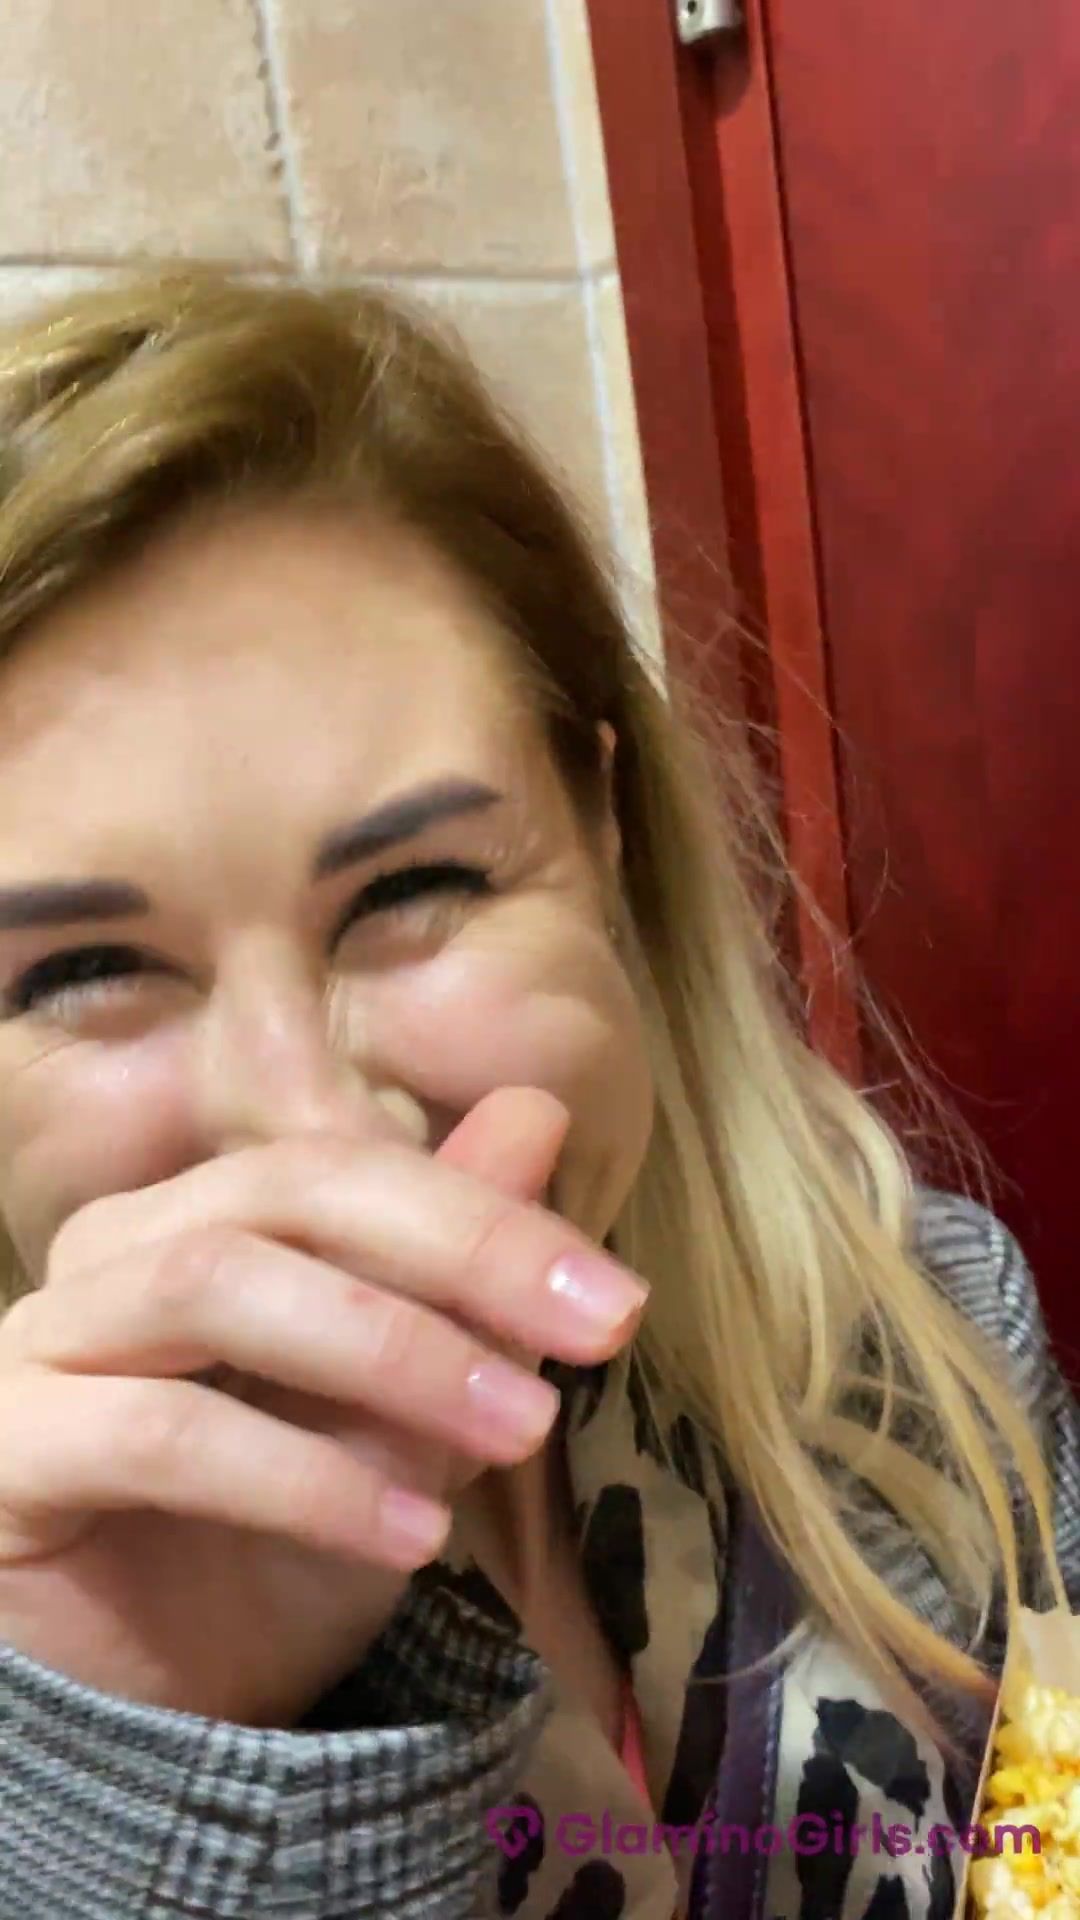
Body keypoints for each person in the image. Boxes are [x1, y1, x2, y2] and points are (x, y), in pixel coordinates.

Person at [0, 271, 1073, 1920]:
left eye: (417, 885)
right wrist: (132, 1762)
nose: (312, 1125)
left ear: (604, 832)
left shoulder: (931, 1344)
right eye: (82, 970)